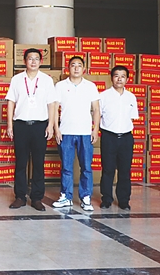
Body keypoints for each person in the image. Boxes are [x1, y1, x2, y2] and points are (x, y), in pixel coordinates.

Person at [5, 47, 57, 211]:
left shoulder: (47, 80)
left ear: (41, 62)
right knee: (20, 162)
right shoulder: (17, 79)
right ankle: (20, 196)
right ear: (24, 61)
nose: (33, 61)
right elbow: (11, 102)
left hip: (40, 126)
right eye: (30, 58)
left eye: (36, 59)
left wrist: (50, 125)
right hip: (21, 125)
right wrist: (10, 125)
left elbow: (51, 104)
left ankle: (36, 198)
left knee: (38, 163)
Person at [52, 56, 100, 212]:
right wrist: (56, 129)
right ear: (68, 68)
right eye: (73, 65)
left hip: (85, 133)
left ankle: (86, 197)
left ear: (84, 69)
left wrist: (95, 129)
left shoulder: (90, 86)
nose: (76, 68)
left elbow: (96, 109)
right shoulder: (60, 86)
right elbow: (54, 109)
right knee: (66, 167)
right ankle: (66, 196)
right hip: (65, 132)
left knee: (86, 167)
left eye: (79, 65)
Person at [98, 65, 138, 211]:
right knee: (107, 170)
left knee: (125, 171)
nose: (119, 79)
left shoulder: (131, 97)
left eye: (122, 76)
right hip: (109, 136)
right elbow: (97, 115)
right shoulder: (103, 96)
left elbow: (132, 117)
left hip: (126, 137)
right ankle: (106, 199)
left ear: (127, 79)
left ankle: (124, 200)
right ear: (111, 78)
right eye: (116, 76)